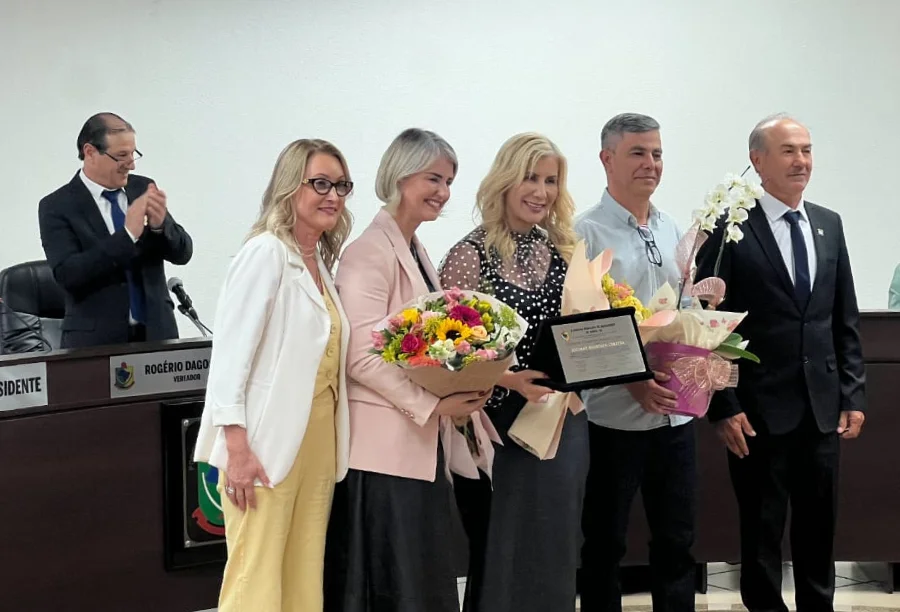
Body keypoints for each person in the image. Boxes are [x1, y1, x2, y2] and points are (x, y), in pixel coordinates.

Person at [695, 114, 866, 612]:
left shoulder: (828, 223)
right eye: (789, 150)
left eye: (807, 150)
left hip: (821, 406)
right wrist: (723, 405)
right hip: (757, 412)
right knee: (762, 531)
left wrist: (853, 393)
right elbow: (710, 327)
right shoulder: (728, 231)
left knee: (819, 531)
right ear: (757, 161)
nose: (802, 161)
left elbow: (843, 317)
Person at [324, 128, 489, 612]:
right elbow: (358, 355)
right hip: (383, 455)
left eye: (449, 181)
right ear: (399, 176)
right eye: (433, 178)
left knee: (424, 581)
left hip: (419, 446)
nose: (443, 192)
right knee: (398, 588)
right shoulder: (368, 253)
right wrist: (434, 402)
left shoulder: (414, 249)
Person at [193, 138, 354, 611]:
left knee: (304, 569)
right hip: (263, 443)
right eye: (320, 183)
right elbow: (229, 359)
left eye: (341, 185)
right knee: (255, 576)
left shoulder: (319, 260)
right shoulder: (265, 253)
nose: (333, 196)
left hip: (318, 434)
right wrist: (237, 447)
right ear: (289, 187)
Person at [439, 132, 590, 611]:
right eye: (529, 176)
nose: (540, 191)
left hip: (561, 420)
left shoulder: (563, 250)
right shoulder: (470, 255)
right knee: (503, 546)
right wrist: (509, 379)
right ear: (504, 180)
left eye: (550, 180)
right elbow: (446, 355)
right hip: (497, 424)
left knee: (556, 543)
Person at [575, 113, 696, 612]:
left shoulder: (673, 229)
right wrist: (634, 383)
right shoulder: (583, 233)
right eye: (638, 153)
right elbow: (584, 329)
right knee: (605, 545)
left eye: (658, 153)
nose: (651, 163)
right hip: (613, 417)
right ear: (607, 159)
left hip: (676, 413)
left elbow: (683, 312)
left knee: (678, 542)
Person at [38, 112, 192, 348]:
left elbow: (183, 253)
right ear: (90, 152)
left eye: (133, 154)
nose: (130, 164)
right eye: (121, 156)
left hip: (158, 335)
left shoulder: (142, 187)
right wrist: (127, 235)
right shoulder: (56, 206)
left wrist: (162, 227)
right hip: (96, 344)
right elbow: (69, 275)